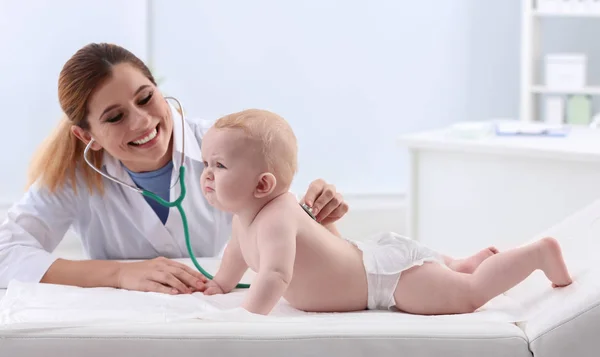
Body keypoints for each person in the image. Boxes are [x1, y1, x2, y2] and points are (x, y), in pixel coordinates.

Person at [0, 43, 349, 294]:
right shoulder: (72, 178)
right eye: (115, 117)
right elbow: (5, 254)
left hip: (226, 307)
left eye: (146, 98)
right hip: (129, 326)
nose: (142, 122)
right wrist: (120, 273)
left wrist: (320, 212)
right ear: (86, 135)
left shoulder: (229, 143)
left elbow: (287, 218)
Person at [198, 109, 573, 316]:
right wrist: (221, 285)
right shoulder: (245, 217)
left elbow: (276, 275)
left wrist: (246, 320)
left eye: (219, 165)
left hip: (386, 280)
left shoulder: (277, 216)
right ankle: (459, 263)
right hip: (373, 259)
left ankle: (536, 255)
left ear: (262, 185)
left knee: (469, 296)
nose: (206, 175)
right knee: (446, 274)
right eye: (205, 164)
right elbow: (236, 256)